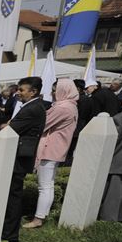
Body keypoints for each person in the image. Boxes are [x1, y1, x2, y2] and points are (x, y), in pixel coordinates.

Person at [24, 79, 79, 229]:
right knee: (47, 184)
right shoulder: (70, 106)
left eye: (55, 89)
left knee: (45, 185)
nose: (52, 93)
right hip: (56, 149)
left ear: (64, 90)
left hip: (50, 149)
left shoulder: (63, 108)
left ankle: (38, 218)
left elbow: (42, 123)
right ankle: (40, 216)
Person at [1, 77, 46, 242]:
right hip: (17, 155)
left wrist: (8, 124)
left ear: (33, 91)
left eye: (22, 90)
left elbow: (10, 128)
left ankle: (9, 234)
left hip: (18, 158)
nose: (18, 93)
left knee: (13, 195)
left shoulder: (32, 108)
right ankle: (7, 230)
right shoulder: (32, 106)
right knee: (11, 194)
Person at [99, 109, 122, 222]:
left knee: (113, 194)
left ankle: (108, 220)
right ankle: (119, 218)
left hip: (118, 161)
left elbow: (110, 138)